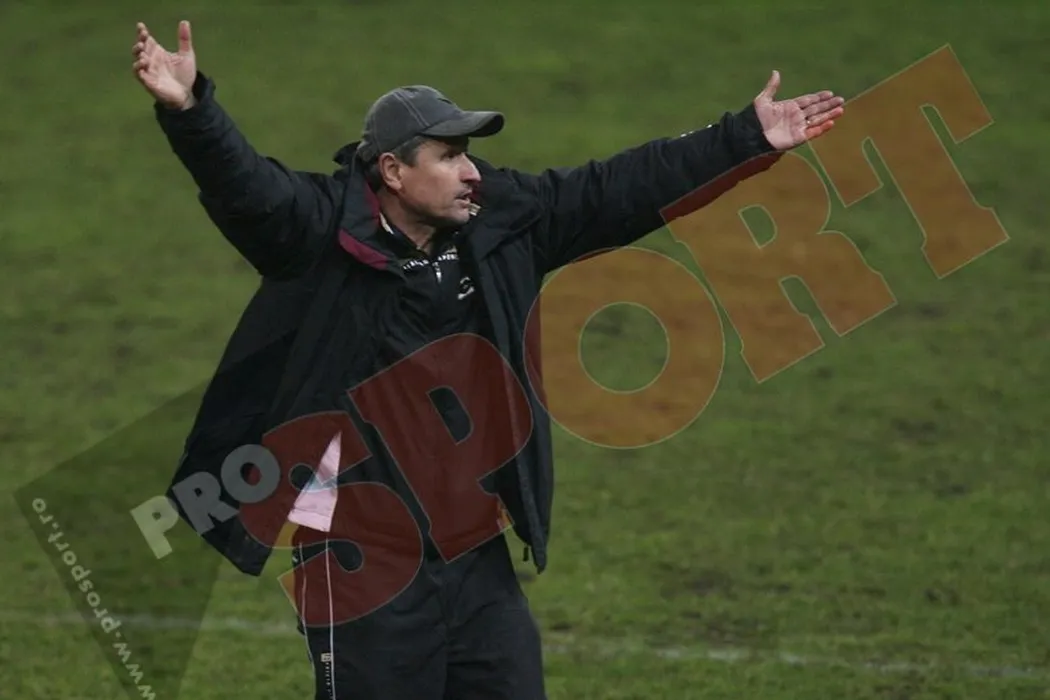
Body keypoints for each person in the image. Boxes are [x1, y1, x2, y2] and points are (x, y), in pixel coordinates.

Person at [132, 18, 844, 700]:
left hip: (473, 549)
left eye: (468, 153)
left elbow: (618, 188)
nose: (471, 171)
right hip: (358, 557)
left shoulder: (500, 221)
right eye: (449, 156)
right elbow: (247, 189)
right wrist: (190, 109)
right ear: (393, 171)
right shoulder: (319, 234)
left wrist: (746, 137)